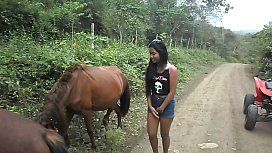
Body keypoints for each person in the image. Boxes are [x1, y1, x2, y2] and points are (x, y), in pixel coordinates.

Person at [145, 39, 179, 153]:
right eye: (150, 53)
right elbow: (148, 90)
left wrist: (162, 107)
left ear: (161, 53)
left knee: (164, 134)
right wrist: (150, 106)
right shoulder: (150, 69)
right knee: (152, 134)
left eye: (154, 53)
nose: (151, 57)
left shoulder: (171, 70)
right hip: (153, 103)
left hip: (167, 104)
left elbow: (172, 92)